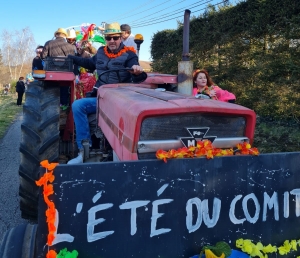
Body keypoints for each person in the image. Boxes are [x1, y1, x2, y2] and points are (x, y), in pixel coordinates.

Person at [67, 22, 146, 164]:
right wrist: (72, 58)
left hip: (121, 98)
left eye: (115, 38)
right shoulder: (101, 52)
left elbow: (138, 76)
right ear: (105, 39)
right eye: (109, 38)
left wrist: (136, 70)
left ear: (121, 38)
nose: (112, 41)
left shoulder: (129, 54)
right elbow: (90, 64)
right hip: (101, 96)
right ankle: (84, 149)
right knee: (78, 105)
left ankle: (128, 154)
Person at [41, 28, 76, 105]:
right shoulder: (70, 46)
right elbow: (73, 59)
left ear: (56, 35)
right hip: (66, 71)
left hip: (51, 71)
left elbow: (43, 56)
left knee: (49, 89)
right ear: (65, 36)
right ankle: (64, 107)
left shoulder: (48, 43)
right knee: (65, 90)